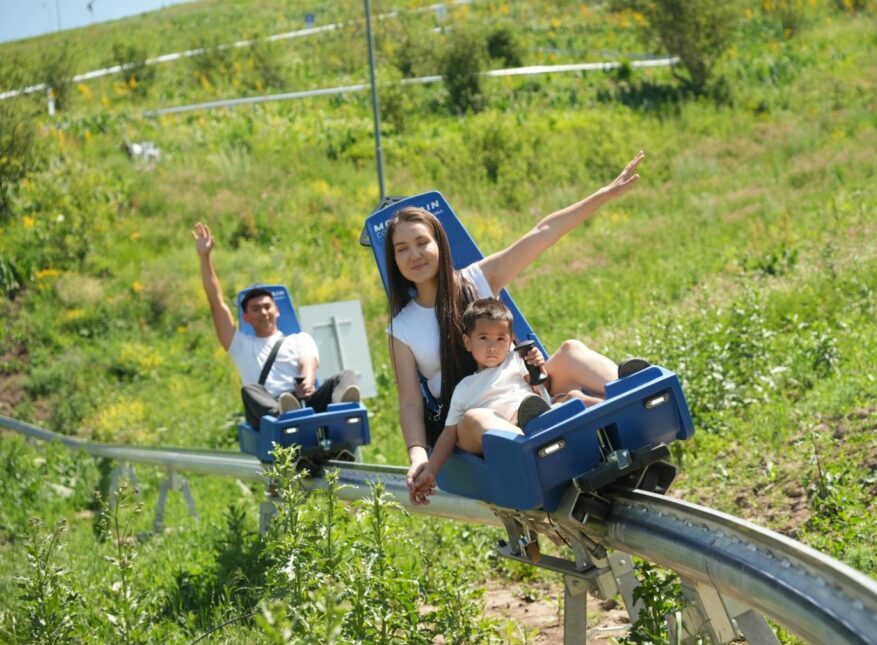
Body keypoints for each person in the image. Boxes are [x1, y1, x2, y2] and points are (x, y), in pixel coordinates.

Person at [384, 151, 647, 503]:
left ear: (439, 243)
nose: (414, 255)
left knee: (569, 351)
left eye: (421, 243)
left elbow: (543, 232)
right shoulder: (402, 327)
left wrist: (603, 194)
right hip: (476, 419)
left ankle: (632, 394)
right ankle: (543, 447)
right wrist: (419, 455)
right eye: (402, 249)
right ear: (394, 260)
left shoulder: (478, 279)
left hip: (522, 392)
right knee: (477, 418)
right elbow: (411, 403)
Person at [408, 297, 601, 504]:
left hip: (536, 414)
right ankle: (527, 440)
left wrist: (536, 366)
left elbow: (539, 386)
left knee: (572, 397)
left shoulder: (515, 362)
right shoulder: (465, 387)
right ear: (467, 342)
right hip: (505, 431)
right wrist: (432, 470)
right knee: (478, 417)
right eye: (483, 338)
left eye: (500, 339)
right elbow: (449, 433)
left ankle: (614, 405)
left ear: (510, 342)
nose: (492, 346)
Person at [192, 222, 360, 429]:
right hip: (269, 413)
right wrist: (205, 258)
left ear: (277, 311)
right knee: (249, 390)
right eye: (256, 309)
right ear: (246, 317)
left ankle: (341, 413)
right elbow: (216, 305)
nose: (263, 312)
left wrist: (307, 382)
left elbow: (308, 362)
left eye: (266, 307)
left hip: (301, 401)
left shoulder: (299, 339)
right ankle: (283, 413)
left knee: (345, 376)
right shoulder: (241, 345)